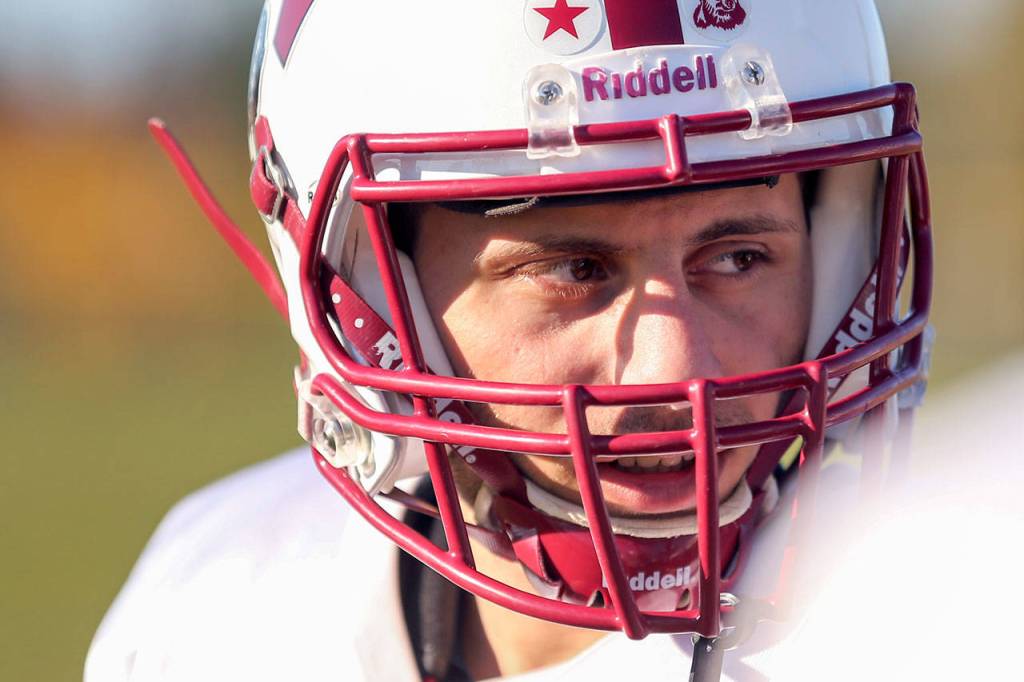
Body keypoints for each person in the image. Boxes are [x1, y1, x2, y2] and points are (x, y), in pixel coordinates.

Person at [86, 1, 933, 680]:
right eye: (571, 268)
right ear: (374, 298)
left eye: (740, 256)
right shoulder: (215, 611)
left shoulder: (941, 635)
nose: (678, 370)